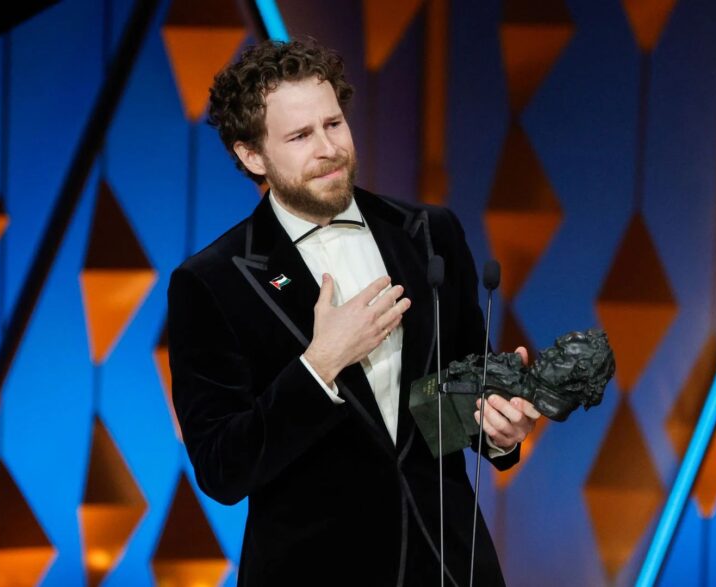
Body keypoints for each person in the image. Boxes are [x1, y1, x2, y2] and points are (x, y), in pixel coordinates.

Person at [167, 39, 540, 586]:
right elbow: (224, 468)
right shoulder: (213, 281)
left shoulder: (430, 234)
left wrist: (500, 432)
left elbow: (459, 396)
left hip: (448, 565)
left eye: (334, 124)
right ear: (251, 155)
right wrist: (319, 365)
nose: (328, 148)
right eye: (299, 136)